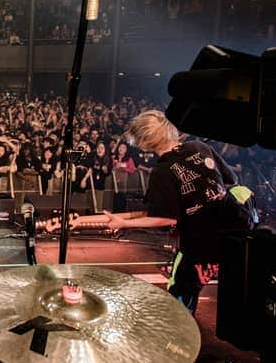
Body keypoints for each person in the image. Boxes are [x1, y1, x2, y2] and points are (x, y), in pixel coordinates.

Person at [93, 110, 252, 313]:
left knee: (180, 298)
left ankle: (183, 340)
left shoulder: (163, 170)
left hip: (200, 246)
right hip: (235, 234)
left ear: (144, 142)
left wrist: (124, 223)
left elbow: (163, 219)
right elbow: (232, 181)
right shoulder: (200, 147)